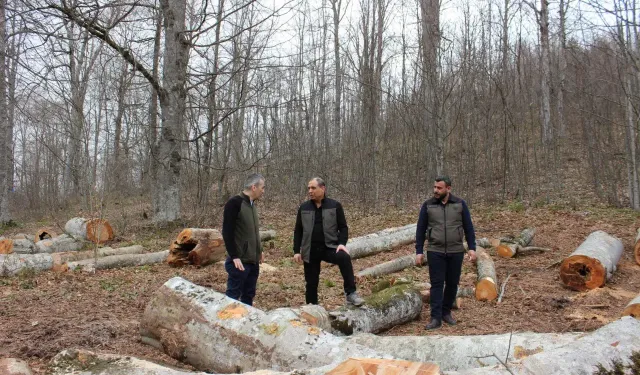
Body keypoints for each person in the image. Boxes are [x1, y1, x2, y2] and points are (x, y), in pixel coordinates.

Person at [415, 175, 477, 330]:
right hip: (435, 250)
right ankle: (435, 318)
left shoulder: (460, 204)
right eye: (435, 187)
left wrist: (472, 248)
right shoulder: (428, 205)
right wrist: (419, 251)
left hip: (456, 250)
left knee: (452, 283)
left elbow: (468, 227)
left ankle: (446, 312)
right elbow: (420, 229)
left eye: (439, 188)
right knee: (436, 284)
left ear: (448, 189)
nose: (435, 190)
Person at [293, 177, 365, 306]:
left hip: (330, 247)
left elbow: (343, 227)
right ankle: (312, 307)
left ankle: (351, 294)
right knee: (311, 282)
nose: (310, 191)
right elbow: (298, 230)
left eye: (313, 188)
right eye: (309, 188)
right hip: (310, 250)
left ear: (323, 188)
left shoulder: (334, 205)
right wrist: (296, 251)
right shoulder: (303, 208)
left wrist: (342, 244)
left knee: (344, 257)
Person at [221, 173, 266, 306]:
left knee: (249, 296)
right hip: (239, 262)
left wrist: (260, 250)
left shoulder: (252, 205)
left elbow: (253, 232)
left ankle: (245, 324)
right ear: (254, 187)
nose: (263, 191)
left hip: (253, 261)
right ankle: (228, 324)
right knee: (232, 298)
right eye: (262, 188)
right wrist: (234, 256)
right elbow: (227, 232)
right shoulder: (234, 203)